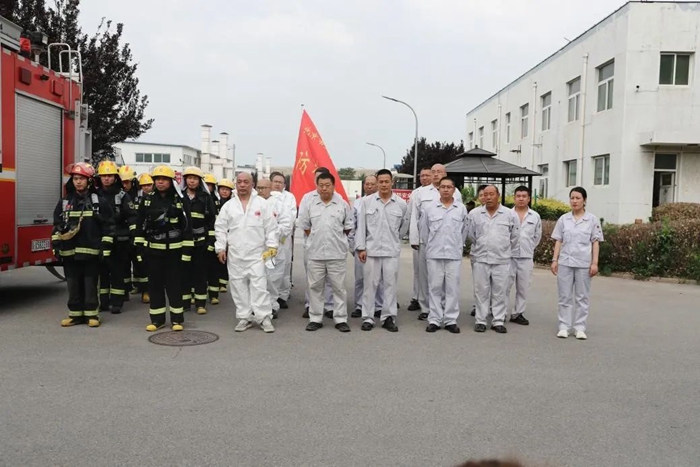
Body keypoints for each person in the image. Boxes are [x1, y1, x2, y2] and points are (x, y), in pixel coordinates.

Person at [53, 162, 115, 328]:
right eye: (75, 178)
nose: (78, 182)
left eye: (81, 178)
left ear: (89, 181)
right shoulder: (65, 202)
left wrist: (105, 248)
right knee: (73, 284)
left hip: (91, 253)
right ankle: (75, 315)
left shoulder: (98, 202)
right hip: (69, 253)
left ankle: (91, 315)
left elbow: (108, 227)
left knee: (90, 284)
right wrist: (56, 246)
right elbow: (57, 225)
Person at [215, 172, 278, 333]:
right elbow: (221, 228)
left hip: (257, 254)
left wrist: (272, 246)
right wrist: (220, 247)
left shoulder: (262, 204)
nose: (242, 185)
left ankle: (264, 317)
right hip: (235, 255)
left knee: (260, 286)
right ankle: (244, 317)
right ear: (235, 184)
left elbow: (271, 227)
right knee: (238, 286)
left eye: (246, 182)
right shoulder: (229, 206)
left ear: (252, 184)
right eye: (239, 182)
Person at [134, 165, 192, 332]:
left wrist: (186, 253)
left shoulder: (180, 199)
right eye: (157, 179)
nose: (160, 182)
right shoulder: (147, 200)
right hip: (153, 251)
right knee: (155, 286)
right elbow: (140, 225)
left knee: (174, 286)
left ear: (170, 181)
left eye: (164, 179)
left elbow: (187, 227)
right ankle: (157, 320)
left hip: (174, 250)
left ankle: (177, 319)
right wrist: (139, 250)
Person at [298, 172, 354, 332]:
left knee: (339, 288)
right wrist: (317, 238)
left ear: (333, 186)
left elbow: (348, 226)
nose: (324, 188)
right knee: (315, 287)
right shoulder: (310, 204)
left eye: (327, 185)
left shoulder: (342, 204)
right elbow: (306, 226)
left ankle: (340, 318)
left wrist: (336, 240)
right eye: (320, 185)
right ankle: (315, 318)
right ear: (317, 186)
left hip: (336, 254)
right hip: (315, 254)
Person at [355, 169, 407, 332]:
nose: (384, 184)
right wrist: (361, 247)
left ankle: (388, 317)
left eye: (387, 181)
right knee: (370, 284)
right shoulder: (367, 202)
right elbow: (361, 226)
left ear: (392, 183)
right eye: (381, 181)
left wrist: (395, 240)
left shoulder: (401, 204)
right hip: (371, 251)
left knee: (390, 285)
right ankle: (368, 317)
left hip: (391, 251)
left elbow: (403, 228)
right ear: (377, 183)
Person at [409, 164, 463, 321]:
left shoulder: (456, 194)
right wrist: (416, 238)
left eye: (439, 172)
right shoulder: (420, 193)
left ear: (445, 174)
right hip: (428, 244)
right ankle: (426, 308)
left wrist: (458, 243)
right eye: (433, 172)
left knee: (449, 282)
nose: (436, 174)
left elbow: (463, 225)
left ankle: (446, 310)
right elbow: (416, 218)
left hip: (451, 246)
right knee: (427, 278)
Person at [551, 187, 603, 340]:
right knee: (564, 296)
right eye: (572, 198)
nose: (574, 201)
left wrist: (594, 263)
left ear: (584, 200)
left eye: (577, 198)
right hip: (565, 262)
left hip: (583, 264)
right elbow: (558, 240)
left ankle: (580, 327)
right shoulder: (563, 219)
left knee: (582, 297)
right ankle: (564, 326)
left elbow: (595, 242)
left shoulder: (592, 220)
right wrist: (555, 260)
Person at [468, 185, 519, 334]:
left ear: (498, 195)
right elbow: (471, 235)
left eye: (492, 194)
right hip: (481, 258)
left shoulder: (509, 215)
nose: (488, 197)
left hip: (501, 260)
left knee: (500, 292)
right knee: (481, 291)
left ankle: (498, 321)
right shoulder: (475, 214)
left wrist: (503, 249)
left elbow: (515, 237)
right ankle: (480, 320)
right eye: (486, 194)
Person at [421, 177, 469, 333]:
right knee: (434, 287)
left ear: (454, 189)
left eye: (449, 187)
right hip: (434, 254)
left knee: (452, 288)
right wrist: (432, 246)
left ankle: (450, 320)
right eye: (443, 187)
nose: (446, 189)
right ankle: (434, 319)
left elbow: (464, 231)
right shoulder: (430, 208)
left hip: (453, 255)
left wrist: (457, 246)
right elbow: (424, 231)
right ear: (438, 189)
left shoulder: (460, 208)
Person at [96, 160, 137, 315]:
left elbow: (132, 218)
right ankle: (103, 302)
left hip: (119, 242)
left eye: (110, 176)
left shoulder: (122, 196)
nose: (106, 179)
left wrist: (134, 238)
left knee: (117, 272)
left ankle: (117, 302)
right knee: (102, 273)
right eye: (104, 176)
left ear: (115, 177)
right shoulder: (95, 196)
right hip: (100, 240)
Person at [299, 167, 336, 318]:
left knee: (330, 278)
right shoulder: (308, 198)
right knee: (313, 278)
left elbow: (345, 225)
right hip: (313, 246)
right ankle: (311, 305)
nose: (323, 185)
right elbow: (303, 222)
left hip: (332, 246)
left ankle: (329, 306)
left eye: (325, 181)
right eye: (319, 180)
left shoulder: (336, 198)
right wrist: (315, 236)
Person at [181, 167, 217, 315]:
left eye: (195, 178)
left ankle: (201, 303)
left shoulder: (206, 198)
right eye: (189, 178)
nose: (192, 180)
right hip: (183, 243)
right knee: (184, 273)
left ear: (199, 181)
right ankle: (185, 302)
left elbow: (212, 221)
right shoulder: (179, 196)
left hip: (201, 242)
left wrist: (210, 242)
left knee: (200, 273)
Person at [257, 178, 294, 319]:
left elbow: (287, 225)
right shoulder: (254, 203)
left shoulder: (279, 204)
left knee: (273, 278)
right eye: (259, 188)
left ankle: (272, 305)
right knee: (258, 278)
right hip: (257, 248)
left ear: (270, 188)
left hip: (275, 248)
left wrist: (271, 230)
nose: (261, 191)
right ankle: (257, 306)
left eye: (264, 188)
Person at [350, 175, 383, 319]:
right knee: (360, 279)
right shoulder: (357, 203)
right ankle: (359, 305)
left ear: (377, 185)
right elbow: (352, 226)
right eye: (367, 184)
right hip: (360, 247)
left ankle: (379, 306)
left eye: (372, 184)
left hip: (378, 246)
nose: (369, 186)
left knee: (378, 279)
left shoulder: (381, 202)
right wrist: (353, 246)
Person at [508, 186, 542, 326]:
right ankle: (500, 313)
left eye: (524, 196)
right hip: (508, 256)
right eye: (518, 196)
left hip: (526, 257)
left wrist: (528, 248)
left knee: (523, 288)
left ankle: (518, 313)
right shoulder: (507, 214)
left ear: (528, 198)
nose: (521, 198)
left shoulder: (535, 216)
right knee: (504, 286)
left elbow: (537, 237)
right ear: (514, 197)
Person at [406, 167, 435, 312]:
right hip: (420, 239)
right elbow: (412, 216)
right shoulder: (416, 193)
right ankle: (417, 297)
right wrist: (413, 239)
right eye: (422, 176)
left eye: (427, 175)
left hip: (437, 241)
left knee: (435, 273)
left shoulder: (448, 191)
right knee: (419, 271)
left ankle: (434, 302)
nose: (424, 178)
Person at [270, 172, 297, 309]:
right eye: (275, 181)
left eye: (280, 182)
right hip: (267, 239)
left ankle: (283, 295)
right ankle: (269, 297)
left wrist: (279, 230)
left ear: (284, 185)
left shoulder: (289, 197)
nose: (277, 184)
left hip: (284, 238)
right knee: (270, 268)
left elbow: (291, 217)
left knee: (285, 266)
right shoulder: (265, 197)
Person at [132, 173, 154, 304]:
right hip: (141, 236)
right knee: (141, 264)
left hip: (153, 237)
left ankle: (149, 290)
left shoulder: (155, 198)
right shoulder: (136, 199)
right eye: (144, 185)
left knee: (151, 266)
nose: (146, 187)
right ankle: (144, 289)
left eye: (149, 185)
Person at [119, 165, 140, 297]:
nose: (124, 184)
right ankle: (126, 288)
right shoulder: (119, 195)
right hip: (122, 234)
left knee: (138, 261)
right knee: (124, 263)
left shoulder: (139, 194)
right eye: (122, 182)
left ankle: (140, 286)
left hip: (136, 233)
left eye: (127, 182)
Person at [203, 173, 223, 305]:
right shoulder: (200, 198)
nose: (208, 187)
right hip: (201, 238)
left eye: (210, 185)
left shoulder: (216, 200)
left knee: (213, 267)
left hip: (214, 237)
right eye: (207, 184)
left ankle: (214, 294)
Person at [470, 184, 488, 317]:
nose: (484, 197)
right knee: (479, 283)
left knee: (496, 285)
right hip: (477, 253)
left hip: (497, 255)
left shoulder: (504, 213)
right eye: (481, 195)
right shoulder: (473, 214)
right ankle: (478, 306)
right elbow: (470, 234)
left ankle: (492, 308)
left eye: (486, 194)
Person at [215, 178, 234, 296]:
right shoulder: (215, 202)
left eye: (227, 190)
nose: (224, 192)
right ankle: (217, 281)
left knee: (227, 260)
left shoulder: (233, 204)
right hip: (220, 234)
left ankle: (223, 282)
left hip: (230, 235)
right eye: (222, 189)